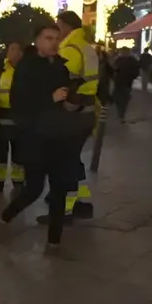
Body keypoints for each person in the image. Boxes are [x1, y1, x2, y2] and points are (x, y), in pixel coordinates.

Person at [2, 25, 94, 248]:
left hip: (61, 136)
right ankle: (7, 215)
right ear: (37, 41)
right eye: (48, 38)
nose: (54, 42)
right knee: (33, 188)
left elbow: (64, 99)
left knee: (60, 188)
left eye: (56, 38)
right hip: (36, 138)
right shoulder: (27, 68)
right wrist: (49, 98)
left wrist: (73, 103)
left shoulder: (61, 66)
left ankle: (55, 239)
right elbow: (20, 103)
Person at [54, 11, 97, 223]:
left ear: (66, 26)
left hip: (74, 111)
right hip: (86, 110)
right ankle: (81, 201)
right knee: (73, 157)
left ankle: (66, 209)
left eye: (58, 25)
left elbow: (65, 80)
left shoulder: (70, 49)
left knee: (66, 160)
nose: (57, 30)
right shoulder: (86, 47)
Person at [0, 41, 25, 195]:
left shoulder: (25, 70)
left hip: (20, 117)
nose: (15, 52)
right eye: (12, 48)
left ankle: (18, 182)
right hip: (0, 116)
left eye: (18, 49)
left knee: (19, 154)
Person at [112, 47, 140, 122]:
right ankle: (120, 114)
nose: (123, 53)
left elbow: (136, 71)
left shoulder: (131, 60)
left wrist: (132, 77)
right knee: (118, 99)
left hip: (126, 82)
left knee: (124, 99)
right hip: (120, 82)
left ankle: (121, 115)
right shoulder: (118, 60)